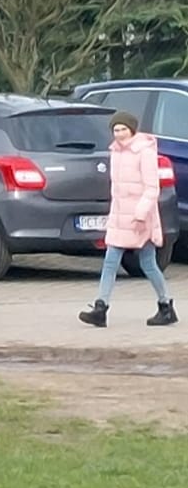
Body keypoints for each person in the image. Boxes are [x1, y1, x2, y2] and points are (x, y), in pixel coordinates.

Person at [78, 111, 177, 329]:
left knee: (148, 264)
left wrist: (140, 214)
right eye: (116, 130)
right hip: (119, 218)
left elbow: (152, 188)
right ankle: (101, 308)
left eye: (123, 129)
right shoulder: (115, 151)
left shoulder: (144, 151)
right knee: (110, 261)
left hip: (140, 218)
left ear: (132, 130)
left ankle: (165, 306)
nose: (120, 133)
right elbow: (117, 190)